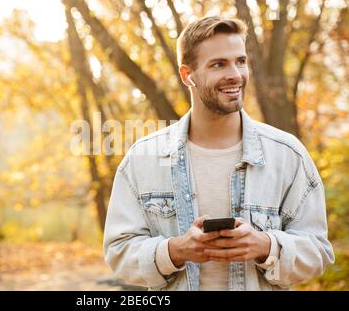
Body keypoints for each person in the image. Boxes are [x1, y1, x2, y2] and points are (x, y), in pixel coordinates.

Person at [103, 16, 334, 291]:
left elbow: (318, 251)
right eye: (218, 64)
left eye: (240, 61)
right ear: (188, 76)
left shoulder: (287, 155)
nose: (235, 74)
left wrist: (265, 246)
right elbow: (118, 251)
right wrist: (176, 250)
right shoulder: (143, 159)